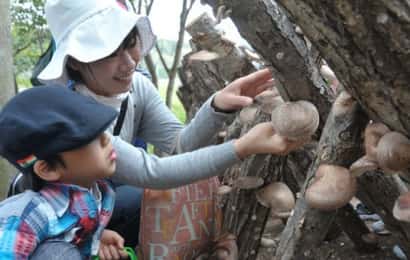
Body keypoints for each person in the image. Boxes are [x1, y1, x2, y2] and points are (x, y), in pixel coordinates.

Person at [37, 0, 306, 250]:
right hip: (64, 218)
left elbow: (178, 146)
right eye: (110, 52)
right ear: (75, 60)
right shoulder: (72, 113)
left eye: (130, 42)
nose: (130, 62)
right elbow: (154, 173)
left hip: (104, 201)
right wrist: (242, 148)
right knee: (140, 199)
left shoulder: (136, 88)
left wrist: (217, 106)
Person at [0, 86, 131, 259]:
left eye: (102, 130)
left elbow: (69, 231)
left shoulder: (101, 192)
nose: (106, 139)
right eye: (90, 137)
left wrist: (94, 240)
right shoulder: (29, 216)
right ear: (48, 169)